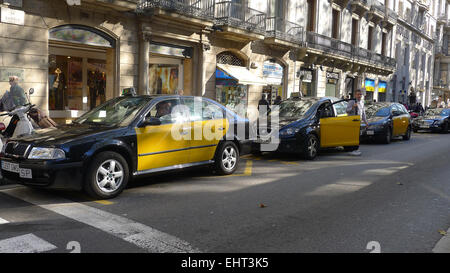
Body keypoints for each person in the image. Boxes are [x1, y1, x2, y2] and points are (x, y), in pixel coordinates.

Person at [346, 89, 369, 156]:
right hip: (352, 121)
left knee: (357, 136)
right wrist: (353, 107)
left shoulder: (361, 102)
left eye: (360, 94)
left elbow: (363, 113)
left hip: (358, 122)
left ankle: (356, 149)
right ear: (355, 95)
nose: (359, 96)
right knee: (352, 136)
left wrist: (366, 122)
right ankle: (351, 149)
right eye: (358, 94)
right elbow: (347, 111)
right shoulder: (352, 101)